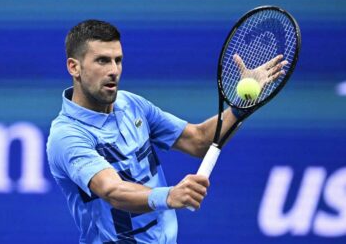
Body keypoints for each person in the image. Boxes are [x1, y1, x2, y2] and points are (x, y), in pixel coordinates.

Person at [46, 19, 287, 244]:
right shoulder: (66, 135)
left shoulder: (132, 105)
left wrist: (240, 106)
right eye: (102, 61)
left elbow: (199, 141)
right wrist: (169, 196)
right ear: (74, 67)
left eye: (117, 60)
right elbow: (112, 190)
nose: (114, 71)